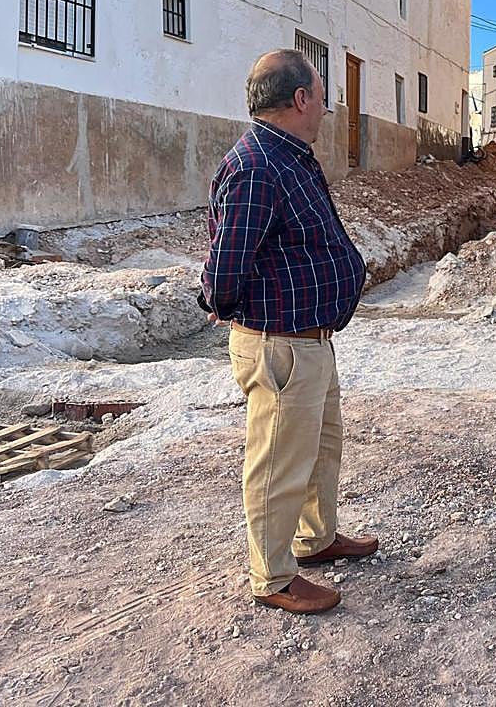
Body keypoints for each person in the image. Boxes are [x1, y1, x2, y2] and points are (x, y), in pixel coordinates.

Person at [200, 49, 378, 614]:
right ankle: (273, 576)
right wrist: (220, 301)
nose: (326, 110)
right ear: (300, 99)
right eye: (322, 98)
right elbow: (227, 260)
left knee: (321, 447)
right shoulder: (256, 165)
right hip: (280, 343)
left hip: (311, 340)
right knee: (277, 458)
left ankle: (316, 539)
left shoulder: (289, 158)